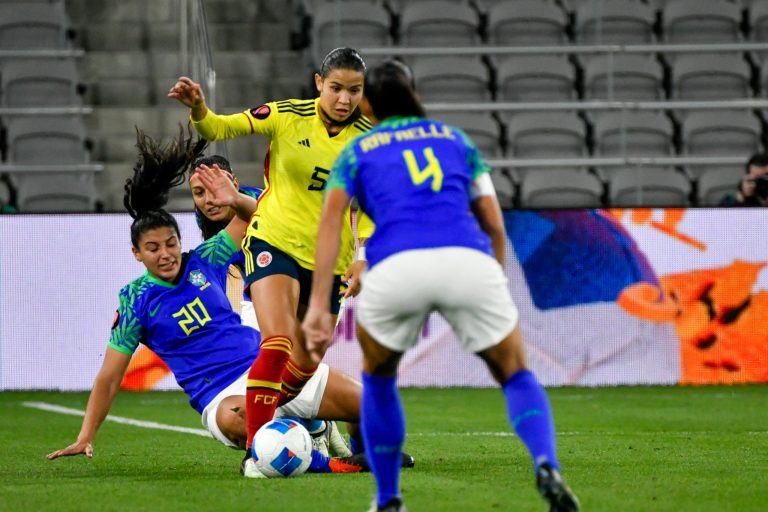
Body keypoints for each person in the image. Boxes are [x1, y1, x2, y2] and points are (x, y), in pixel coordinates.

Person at [302, 60, 580, 512]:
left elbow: (330, 223)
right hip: (467, 260)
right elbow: (492, 221)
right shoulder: (457, 140)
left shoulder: (357, 150)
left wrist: (318, 304)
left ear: (368, 103)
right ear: (414, 93)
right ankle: (546, 464)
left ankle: (389, 499)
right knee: (515, 373)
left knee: (378, 380)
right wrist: (493, 280)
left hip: (396, 268)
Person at [46, 128, 368, 476]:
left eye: (170, 243)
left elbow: (262, 215)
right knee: (239, 418)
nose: (166, 254)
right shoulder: (134, 300)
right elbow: (110, 378)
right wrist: (85, 435)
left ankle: (361, 455)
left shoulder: (205, 258)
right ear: (136, 254)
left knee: (371, 406)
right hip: (220, 395)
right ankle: (325, 457)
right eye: (153, 248)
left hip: (268, 368)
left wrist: (232, 196)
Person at [168, 47, 375, 466]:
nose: (344, 99)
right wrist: (199, 110)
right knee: (277, 340)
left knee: (304, 363)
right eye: (335, 88)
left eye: (354, 90)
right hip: (273, 242)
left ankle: (291, 426)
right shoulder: (287, 114)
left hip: (329, 263)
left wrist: (364, 257)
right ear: (320, 84)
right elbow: (223, 127)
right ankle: (255, 452)